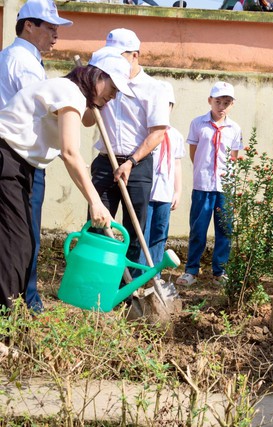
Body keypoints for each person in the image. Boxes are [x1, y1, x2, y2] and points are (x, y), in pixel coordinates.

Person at [0, 49, 133, 310]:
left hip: (20, 167)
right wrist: (96, 202)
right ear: (98, 77)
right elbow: (70, 152)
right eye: (113, 88)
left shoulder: (71, 94)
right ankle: (5, 327)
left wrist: (97, 104)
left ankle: (10, 320)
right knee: (15, 246)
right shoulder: (69, 91)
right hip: (6, 159)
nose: (114, 96)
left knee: (23, 244)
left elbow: (80, 131)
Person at [0, 0, 73, 312]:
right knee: (23, 236)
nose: (55, 34)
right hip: (18, 158)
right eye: (50, 27)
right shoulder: (24, 62)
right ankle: (24, 303)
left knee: (11, 234)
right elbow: (43, 110)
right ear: (28, 25)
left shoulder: (10, 56)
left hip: (12, 153)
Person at [83, 29, 170, 277]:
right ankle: (98, 279)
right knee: (97, 222)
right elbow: (89, 121)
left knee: (134, 229)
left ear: (135, 55)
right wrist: (93, 97)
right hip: (105, 162)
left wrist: (131, 162)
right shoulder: (103, 83)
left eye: (119, 56)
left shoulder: (154, 88)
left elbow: (158, 133)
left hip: (138, 165)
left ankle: (127, 289)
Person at [177, 82, 243, 286]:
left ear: (232, 105)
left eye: (226, 102)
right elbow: (194, 153)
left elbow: (234, 157)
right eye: (218, 101)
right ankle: (191, 270)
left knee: (225, 229)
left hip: (225, 187)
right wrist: (203, 172)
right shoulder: (198, 124)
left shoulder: (234, 128)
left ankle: (219, 271)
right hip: (203, 185)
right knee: (198, 228)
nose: (221, 106)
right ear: (210, 101)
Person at [138, 81, 184, 282]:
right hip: (147, 193)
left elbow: (177, 165)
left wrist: (177, 191)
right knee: (143, 233)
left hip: (165, 194)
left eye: (168, 105)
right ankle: (139, 273)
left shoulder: (176, 136)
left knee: (160, 233)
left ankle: (155, 273)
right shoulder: (145, 133)